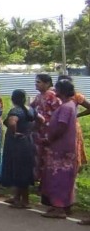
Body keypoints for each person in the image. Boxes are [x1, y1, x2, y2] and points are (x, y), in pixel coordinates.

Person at [40, 79, 79, 219]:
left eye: (57, 88)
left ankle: (60, 208)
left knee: (60, 178)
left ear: (62, 90)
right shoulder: (69, 105)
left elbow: (61, 127)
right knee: (58, 176)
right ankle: (59, 205)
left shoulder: (66, 107)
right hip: (60, 147)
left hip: (61, 148)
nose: (54, 90)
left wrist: (49, 139)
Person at [1, 90, 37, 209]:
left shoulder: (16, 110)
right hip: (27, 141)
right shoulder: (30, 109)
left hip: (17, 143)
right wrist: (31, 130)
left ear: (13, 99)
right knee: (21, 169)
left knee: (20, 170)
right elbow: (41, 120)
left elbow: (12, 123)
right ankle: (17, 197)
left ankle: (25, 201)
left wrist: (14, 132)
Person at [31, 74, 61, 184]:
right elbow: (32, 107)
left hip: (48, 132)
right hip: (38, 131)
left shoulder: (52, 96)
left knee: (47, 156)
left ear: (47, 83)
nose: (36, 84)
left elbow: (58, 114)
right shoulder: (39, 96)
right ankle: (41, 181)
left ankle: (47, 183)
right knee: (39, 156)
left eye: (38, 82)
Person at [57, 75, 88, 167]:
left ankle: (73, 168)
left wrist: (77, 115)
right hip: (59, 123)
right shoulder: (54, 95)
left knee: (72, 145)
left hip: (71, 125)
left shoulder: (77, 96)